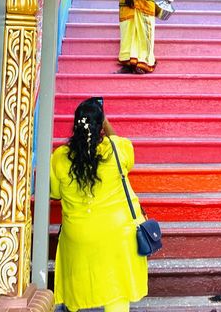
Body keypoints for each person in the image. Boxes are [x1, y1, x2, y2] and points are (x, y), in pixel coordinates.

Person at [51, 97, 148, 312]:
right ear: (100, 126)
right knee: (118, 292)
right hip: (118, 233)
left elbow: (55, 193)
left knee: (76, 288)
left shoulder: (60, 157)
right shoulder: (116, 148)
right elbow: (127, 157)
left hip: (79, 235)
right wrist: (106, 123)